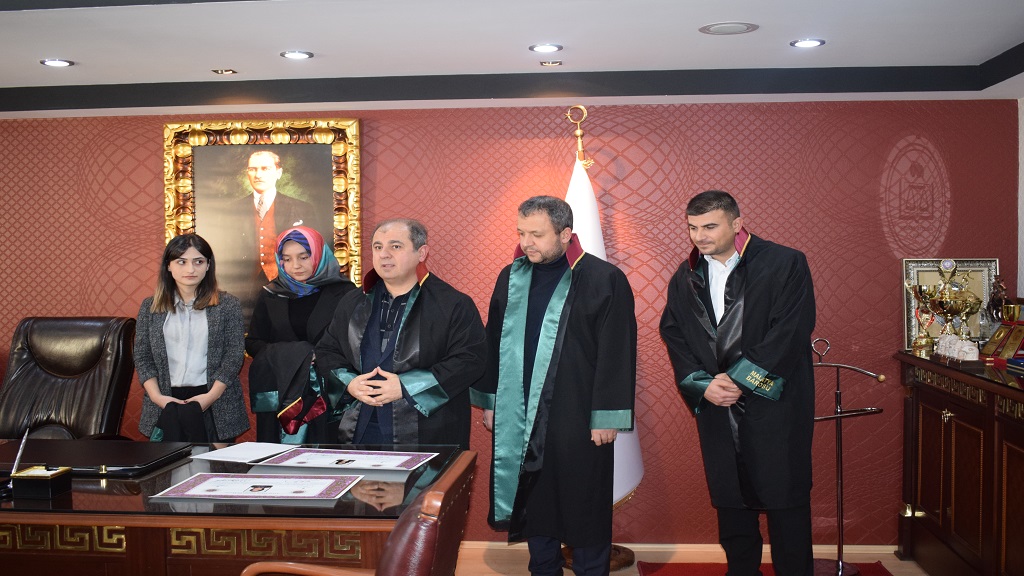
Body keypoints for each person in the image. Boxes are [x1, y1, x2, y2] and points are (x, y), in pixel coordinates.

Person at [473, 196, 637, 576]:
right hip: (521, 410)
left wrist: (607, 415)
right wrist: (492, 402)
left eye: (536, 234)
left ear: (565, 234)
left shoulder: (603, 278)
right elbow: (493, 341)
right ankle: (543, 569)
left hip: (578, 412)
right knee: (537, 498)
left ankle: (591, 570)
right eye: (521, 233)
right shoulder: (510, 277)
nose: (526, 242)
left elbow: (618, 349)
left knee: (585, 500)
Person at [659, 190, 817, 576]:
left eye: (710, 226)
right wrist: (702, 384)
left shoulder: (785, 263)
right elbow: (674, 333)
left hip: (775, 403)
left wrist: (740, 379)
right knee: (731, 501)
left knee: (785, 499)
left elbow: (792, 330)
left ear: (736, 223)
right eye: (693, 227)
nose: (700, 236)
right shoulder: (686, 276)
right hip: (717, 403)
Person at [314, 218, 487, 448]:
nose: (384, 255)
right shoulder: (352, 302)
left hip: (427, 430)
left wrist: (406, 387)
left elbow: (470, 360)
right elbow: (327, 351)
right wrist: (350, 382)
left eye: (395, 246)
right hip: (359, 426)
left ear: (421, 253)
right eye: (378, 247)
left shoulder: (452, 304)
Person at [245, 226, 357, 443]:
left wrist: (321, 356)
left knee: (325, 456)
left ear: (319, 255)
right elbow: (253, 342)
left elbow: (354, 343)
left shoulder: (345, 293)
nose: (295, 265)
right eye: (287, 259)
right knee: (279, 457)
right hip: (281, 391)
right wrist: (298, 354)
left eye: (303, 257)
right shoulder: (271, 294)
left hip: (328, 392)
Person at [134, 233, 249, 442]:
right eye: (182, 262)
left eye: (198, 262)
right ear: (168, 266)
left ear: (208, 265)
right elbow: (142, 357)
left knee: (214, 463)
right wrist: (157, 397)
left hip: (214, 402)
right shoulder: (150, 307)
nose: (190, 269)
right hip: (165, 401)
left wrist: (210, 397)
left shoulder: (227, 305)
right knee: (169, 463)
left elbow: (233, 356)